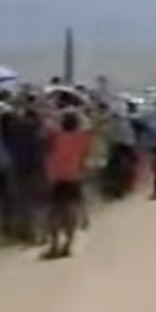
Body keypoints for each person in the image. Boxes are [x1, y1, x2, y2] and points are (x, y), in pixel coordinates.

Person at [43, 102, 95, 259]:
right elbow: (91, 126)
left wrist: (55, 112)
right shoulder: (82, 138)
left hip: (56, 178)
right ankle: (67, 245)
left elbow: (46, 121)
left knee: (54, 214)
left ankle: (54, 245)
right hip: (74, 177)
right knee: (70, 213)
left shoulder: (55, 136)